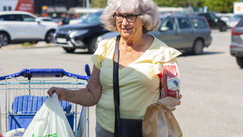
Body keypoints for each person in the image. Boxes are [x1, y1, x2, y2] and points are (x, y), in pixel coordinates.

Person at [47, 0, 182, 136]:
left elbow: (170, 96)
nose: (123, 23)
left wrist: (170, 98)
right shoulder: (105, 49)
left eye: (130, 16)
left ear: (144, 19)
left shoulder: (162, 52)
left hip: (146, 131)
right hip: (106, 130)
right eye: (119, 16)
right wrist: (65, 94)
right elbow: (92, 94)